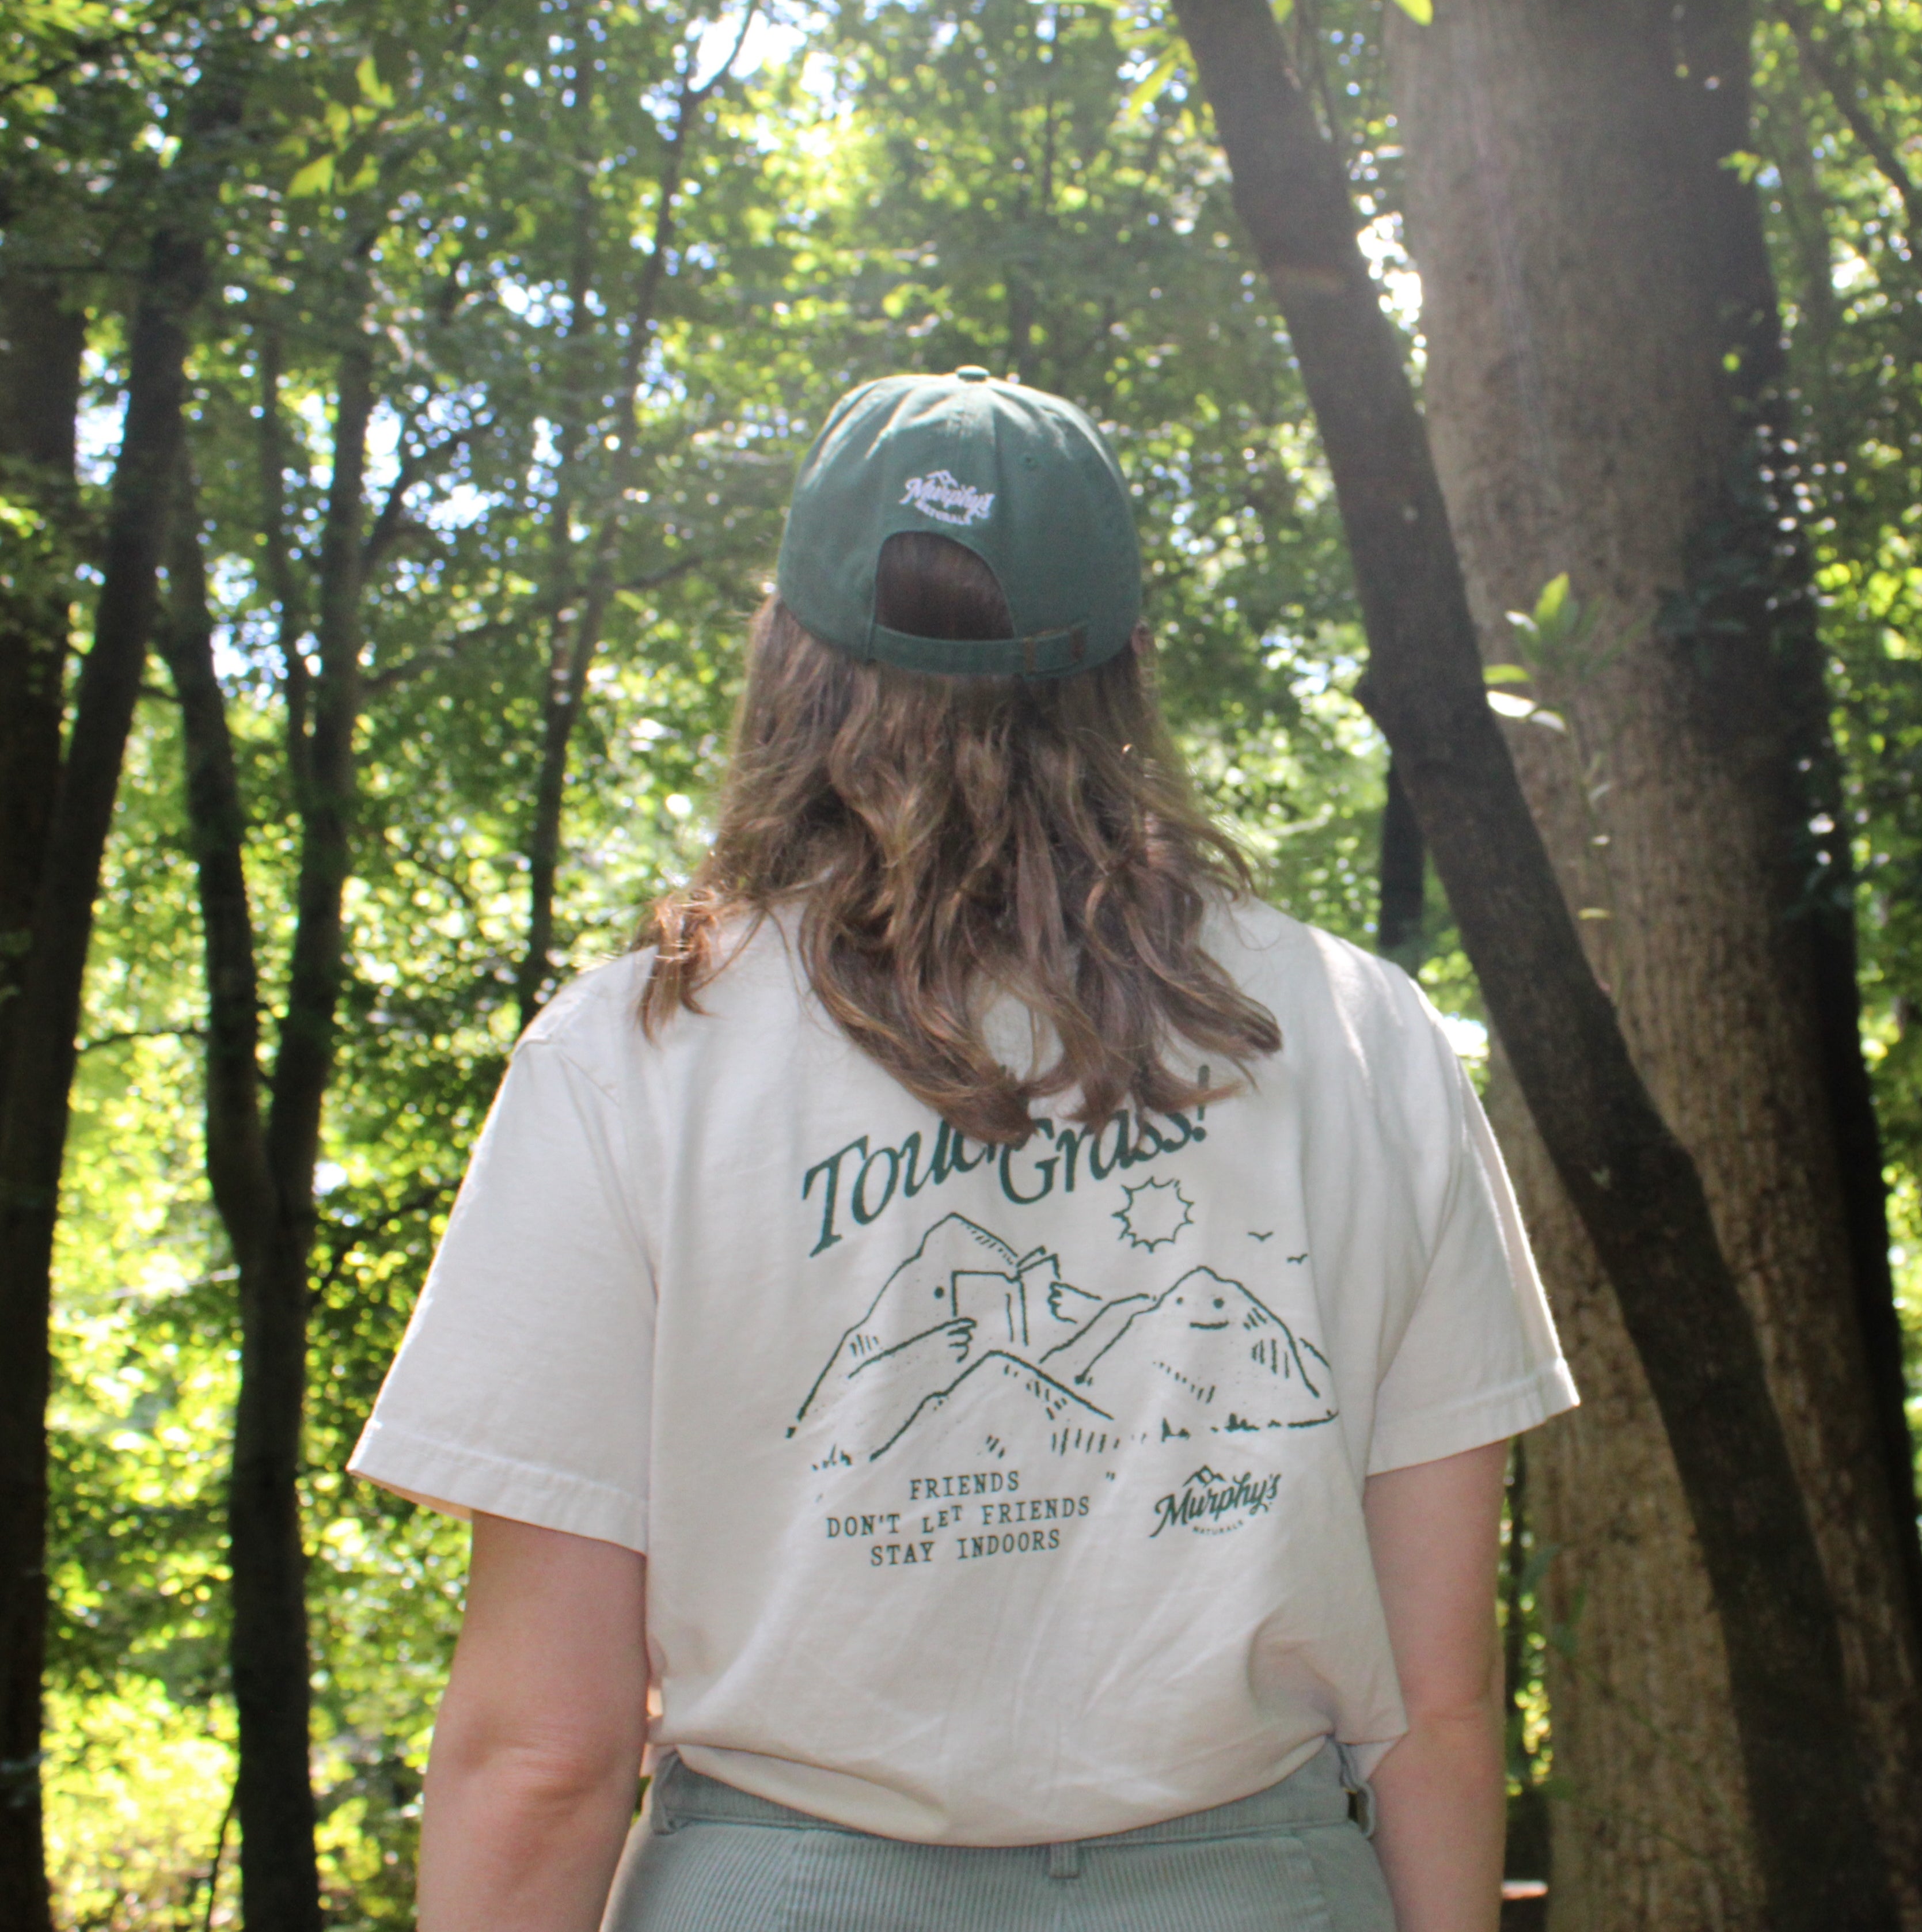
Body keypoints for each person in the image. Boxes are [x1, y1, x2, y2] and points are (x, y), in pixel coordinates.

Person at [351, 366, 1577, 1932]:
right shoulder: (1355, 1036)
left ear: (784, 654)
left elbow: (542, 1746)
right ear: (1128, 666)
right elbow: (1437, 1699)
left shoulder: (634, 1059)